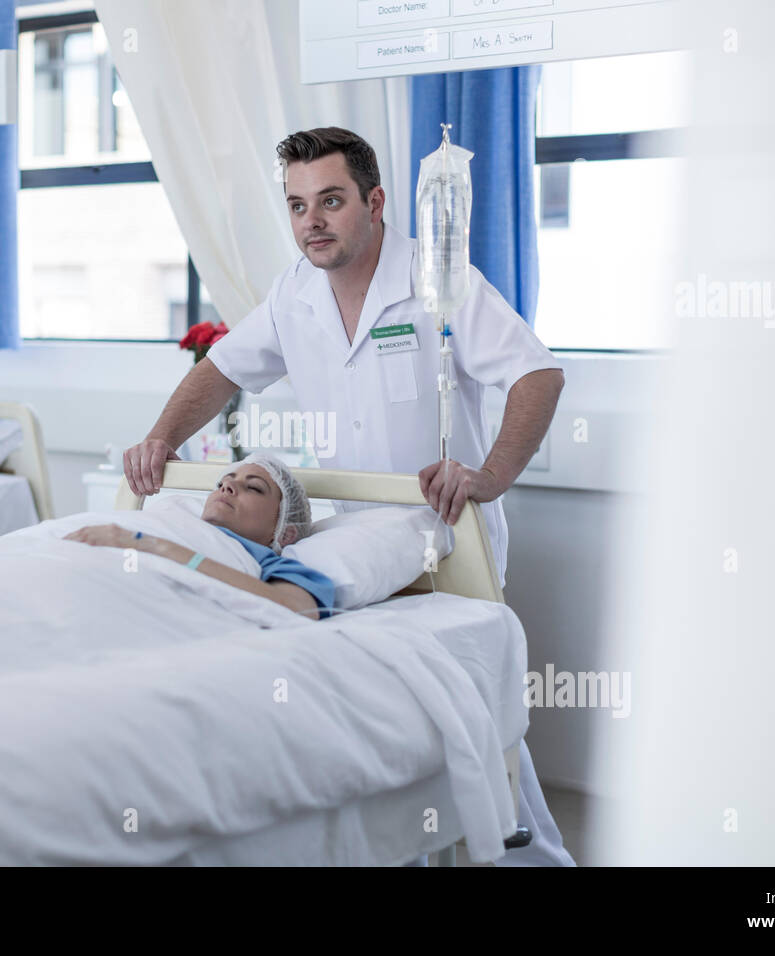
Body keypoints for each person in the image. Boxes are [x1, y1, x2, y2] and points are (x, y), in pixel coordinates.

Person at [123, 127, 574, 866]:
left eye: (330, 201)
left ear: (374, 201)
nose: (313, 223)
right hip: (355, 548)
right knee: (404, 719)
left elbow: (538, 375)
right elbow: (224, 369)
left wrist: (488, 475)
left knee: (479, 721)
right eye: (299, 206)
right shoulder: (293, 294)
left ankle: (530, 856)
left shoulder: (439, 279)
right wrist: (160, 438)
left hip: (445, 540)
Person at [67, 453, 335, 621]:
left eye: (253, 487)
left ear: (285, 533)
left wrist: (150, 545)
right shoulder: (173, 520)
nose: (228, 485)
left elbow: (295, 608)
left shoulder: (270, 564)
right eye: (222, 483)